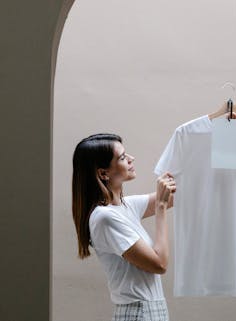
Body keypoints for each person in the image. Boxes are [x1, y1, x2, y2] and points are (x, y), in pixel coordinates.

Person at [72, 133, 176, 321]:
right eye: (122, 157)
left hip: (150, 309)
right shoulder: (105, 217)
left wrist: (224, 136)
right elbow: (159, 264)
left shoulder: (125, 206)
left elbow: (181, 194)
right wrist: (160, 208)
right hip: (139, 312)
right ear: (103, 173)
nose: (131, 159)